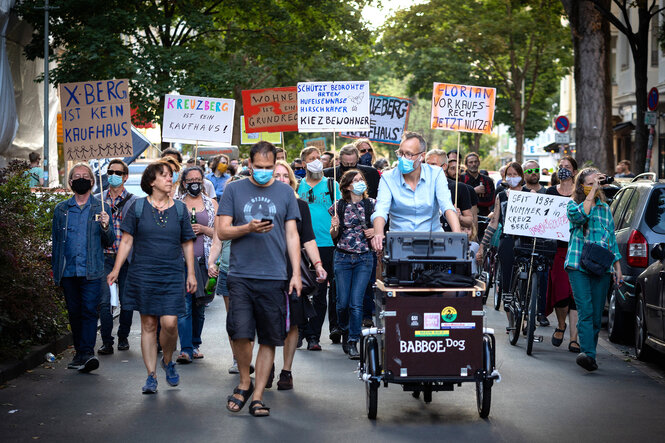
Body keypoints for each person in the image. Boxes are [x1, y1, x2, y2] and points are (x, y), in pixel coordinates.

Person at [217, 141, 302, 417]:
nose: (264, 172)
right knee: (241, 333)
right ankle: (244, 380)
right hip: (240, 274)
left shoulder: (285, 192)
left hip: (274, 275)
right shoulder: (234, 189)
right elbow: (221, 231)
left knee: (269, 338)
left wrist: (296, 273)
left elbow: (292, 235)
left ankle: (257, 395)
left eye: (269, 167)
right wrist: (248, 227)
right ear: (249, 164)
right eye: (259, 167)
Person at [107, 160, 197, 393]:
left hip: (172, 273)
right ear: (151, 181)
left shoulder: (179, 209)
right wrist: (116, 270)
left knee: (170, 323)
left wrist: (190, 273)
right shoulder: (137, 208)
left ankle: (168, 360)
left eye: (171, 175)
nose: (170, 179)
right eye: (165, 175)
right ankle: (151, 375)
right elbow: (126, 241)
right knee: (148, 324)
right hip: (143, 273)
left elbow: (187, 243)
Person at [51, 163, 113, 372]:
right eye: (76, 176)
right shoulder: (61, 209)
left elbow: (109, 241)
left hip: (92, 269)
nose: (81, 179)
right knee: (74, 312)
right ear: (70, 182)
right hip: (68, 270)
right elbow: (56, 242)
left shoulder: (101, 208)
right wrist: (56, 272)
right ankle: (79, 353)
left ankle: (87, 353)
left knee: (88, 310)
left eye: (85, 176)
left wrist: (106, 226)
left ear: (92, 181)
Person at [273, 160, 326, 388]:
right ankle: (267, 365)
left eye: (286, 176)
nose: (282, 179)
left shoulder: (301, 205)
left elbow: (308, 238)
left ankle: (286, 370)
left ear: (292, 181)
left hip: (292, 270)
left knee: (293, 322)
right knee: (268, 321)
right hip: (267, 269)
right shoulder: (262, 204)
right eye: (277, 175)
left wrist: (318, 263)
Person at [566, 168, 622, 371]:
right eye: (590, 183)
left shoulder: (605, 208)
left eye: (597, 182)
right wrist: (591, 192)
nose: (595, 186)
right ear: (582, 187)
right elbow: (580, 217)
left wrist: (617, 268)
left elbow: (611, 240)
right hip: (578, 265)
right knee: (586, 311)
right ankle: (587, 354)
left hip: (601, 268)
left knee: (597, 314)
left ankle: (590, 354)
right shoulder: (573, 204)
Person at [371, 132, 461, 254]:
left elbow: (447, 206)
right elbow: (381, 209)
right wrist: (378, 233)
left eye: (409, 154)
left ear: (422, 156)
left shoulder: (436, 174)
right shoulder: (388, 178)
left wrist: (458, 237)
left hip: (433, 243)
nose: (403, 158)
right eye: (400, 153)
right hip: (399, 244)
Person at [297, 146, 342, 350]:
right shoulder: (298, 187)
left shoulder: (332, 185)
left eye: (319, 158)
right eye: (312, 158)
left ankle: (314, 336)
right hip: (300, 245)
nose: (317, 161)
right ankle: (299, 331)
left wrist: (337, 220)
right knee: (299, 291)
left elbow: (342, 210)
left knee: (320, 292)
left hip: (326, 244)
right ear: (304, 163)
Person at [330, 169, 375, 359]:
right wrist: (335, 227)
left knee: (356, 303)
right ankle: (345, 329)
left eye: (361, 179)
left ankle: (353, 341)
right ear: (347, 186)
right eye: (355, 180)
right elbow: (333, 235)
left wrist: (374, 230)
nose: (359, 182)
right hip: (342, 257)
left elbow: (381, 227)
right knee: (342, 303)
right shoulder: (338, 206)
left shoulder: (372, 204)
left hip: (364, 258)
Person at [175, 166, 218, 363]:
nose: (195, 183)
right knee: (184, 305)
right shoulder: (176, 205)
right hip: (183, 262)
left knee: (200, 305)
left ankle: (195, 343)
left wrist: (203, 229)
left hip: (205, 262)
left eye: (198, 179)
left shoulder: (211, 204)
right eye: (190, 179)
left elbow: (221, 233)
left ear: (203, 182)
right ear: (184, 183)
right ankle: (185, 349)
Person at [97, 160, 137, 355]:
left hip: (127, 259)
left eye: (118, 173)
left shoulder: (135, 202)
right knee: (104, 301)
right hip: (103, 257)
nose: (113, 175)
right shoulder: (97, 200)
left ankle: (123, 336)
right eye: (110, 172)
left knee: (126, 300)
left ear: (125, 177)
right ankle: (106, 341)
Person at [476, 162, 526, 315]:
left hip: (525, 239)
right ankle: (507, 297)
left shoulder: (530, 194)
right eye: (509, 175)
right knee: (506, 269)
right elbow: (494, 221)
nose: (512, 178)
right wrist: (483, 246)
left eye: (515, 175)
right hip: (507, 237)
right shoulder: (502, 195)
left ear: (521, 176)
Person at [546, 157, 580, 352]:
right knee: (560, 291)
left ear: (574, 171)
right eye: (561, 167)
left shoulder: (579, 194)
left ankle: (574, 338)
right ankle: (560, 325)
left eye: (567, 167)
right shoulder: (550, 192)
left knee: (575, 293)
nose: (563, 170)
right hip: (557, 248)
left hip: (576, 246)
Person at [522, 160, 549, 326]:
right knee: (523, 274)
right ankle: (522, 309)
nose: (533, 172)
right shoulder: (519, 192)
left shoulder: (548, 192)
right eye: (530, 170)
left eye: (536, 170)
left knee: (543, 276)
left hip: (543, 241)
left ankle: (541, 312)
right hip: (524, 240)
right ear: (524, 174)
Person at [426, 149, 473, 229]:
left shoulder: (459, 188)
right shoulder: (418, 185)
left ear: (444, 166)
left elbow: (469, 221)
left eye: (433, 164)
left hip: (450, 238)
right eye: (427, 164)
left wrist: (459, 217)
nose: (429, 168)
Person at [461, 152, 496, 217]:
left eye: (475, 162)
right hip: (466, 217)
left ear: (479, 163)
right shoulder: (461, 179)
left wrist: (469, 198)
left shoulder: (488, 181)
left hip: (484, 217)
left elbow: (490, 201)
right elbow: (460, 199)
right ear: (466, 164)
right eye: (470, 162)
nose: (473, 164)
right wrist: (473, 191)